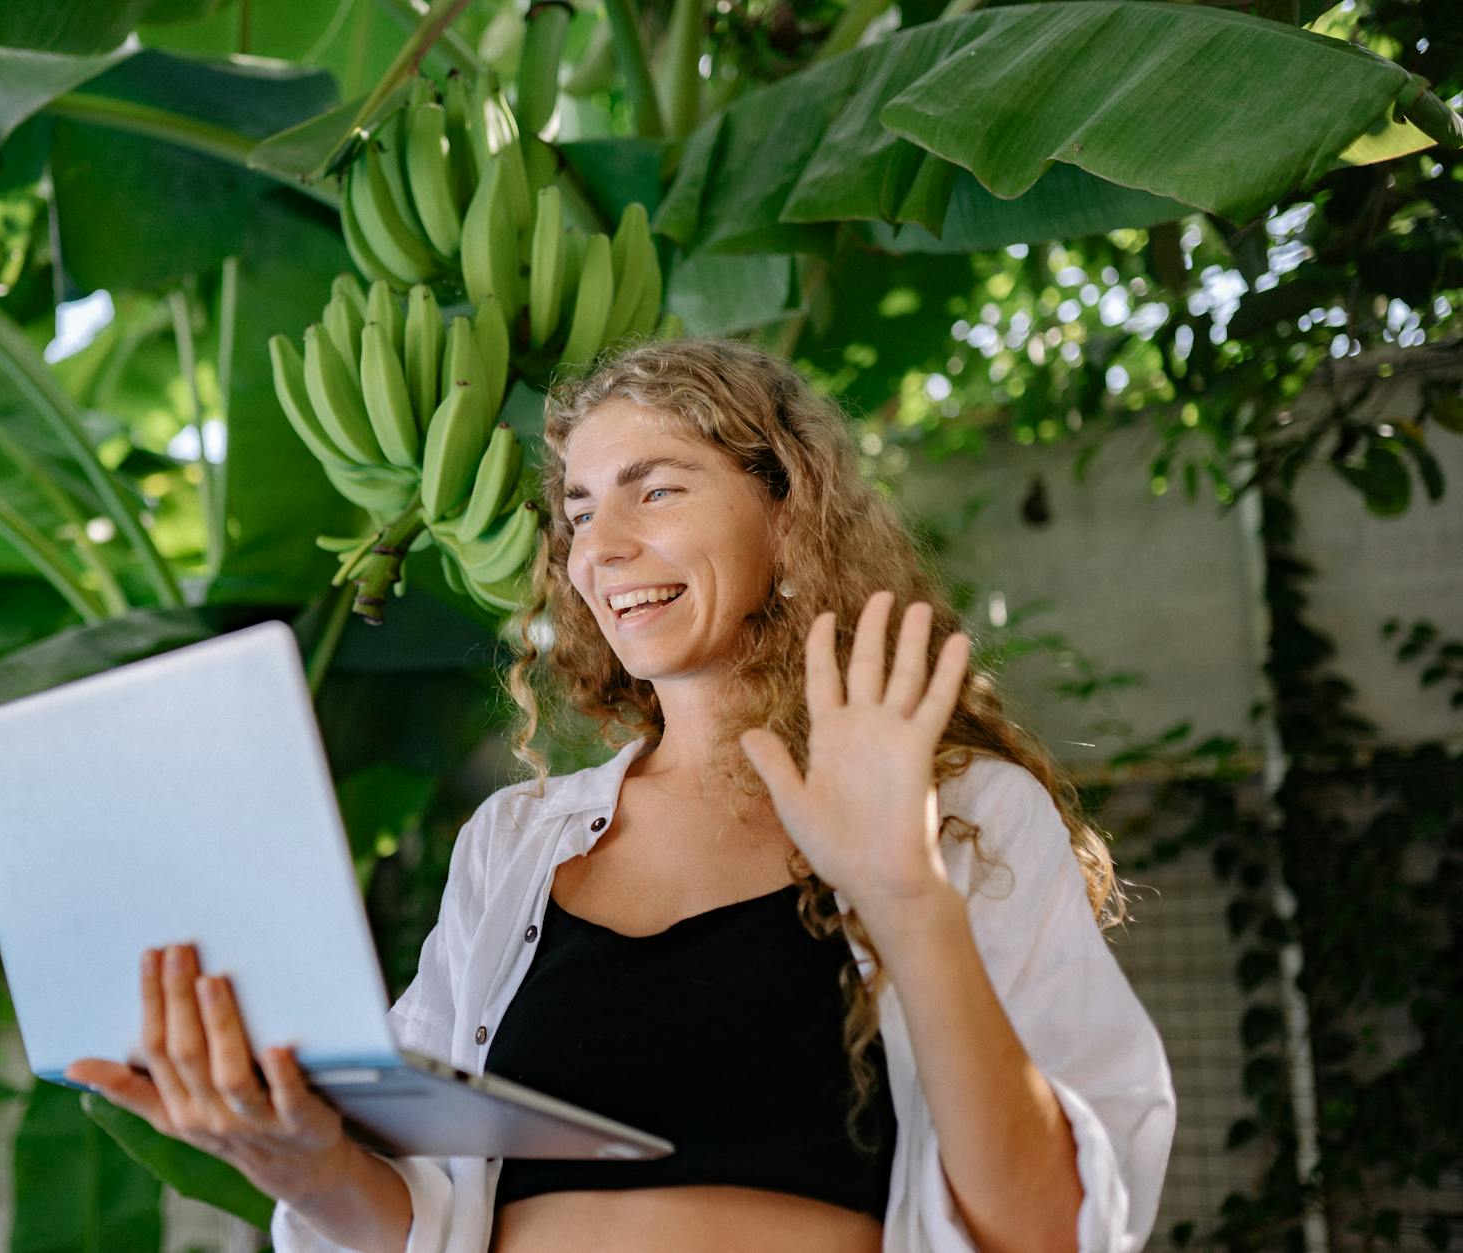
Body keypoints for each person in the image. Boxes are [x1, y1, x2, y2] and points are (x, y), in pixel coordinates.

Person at [67, 337, 1178, 1253]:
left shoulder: (961, 816)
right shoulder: (514, 843)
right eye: (582, 508)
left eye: (658, 487)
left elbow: (1053, 1231)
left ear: (784, 513)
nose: (605, 544)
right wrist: (307, 1166)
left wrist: (903, 892)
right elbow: (425, 1216)